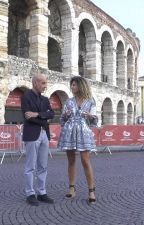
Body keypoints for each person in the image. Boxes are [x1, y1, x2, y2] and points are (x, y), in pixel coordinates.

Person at [58, 76, 98, 204]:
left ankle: (91, 190)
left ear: (81, 86)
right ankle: (72, 188)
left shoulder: (90, 102)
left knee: (85, 161)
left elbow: (95, 120)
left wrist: (91, 116)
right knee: (71, 161)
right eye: (71, 85)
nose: (72, 87)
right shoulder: (69, 101)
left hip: (83, 132)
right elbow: (62, 120)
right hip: (69, 132)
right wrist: (65, 115)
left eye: (74, 85)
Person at [21, 73, 55, 206]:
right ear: (35, 83)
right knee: (30, 166)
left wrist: (37, 114)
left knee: (43, 165)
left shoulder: (46, 99)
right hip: (32, 135)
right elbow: (27, 117)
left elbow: (52, 114)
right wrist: (44, 118)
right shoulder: (26, 97)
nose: (45, 86)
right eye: (43, 83)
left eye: (45, 83)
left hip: (44, 135)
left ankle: (41, 192)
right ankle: (30, 193)